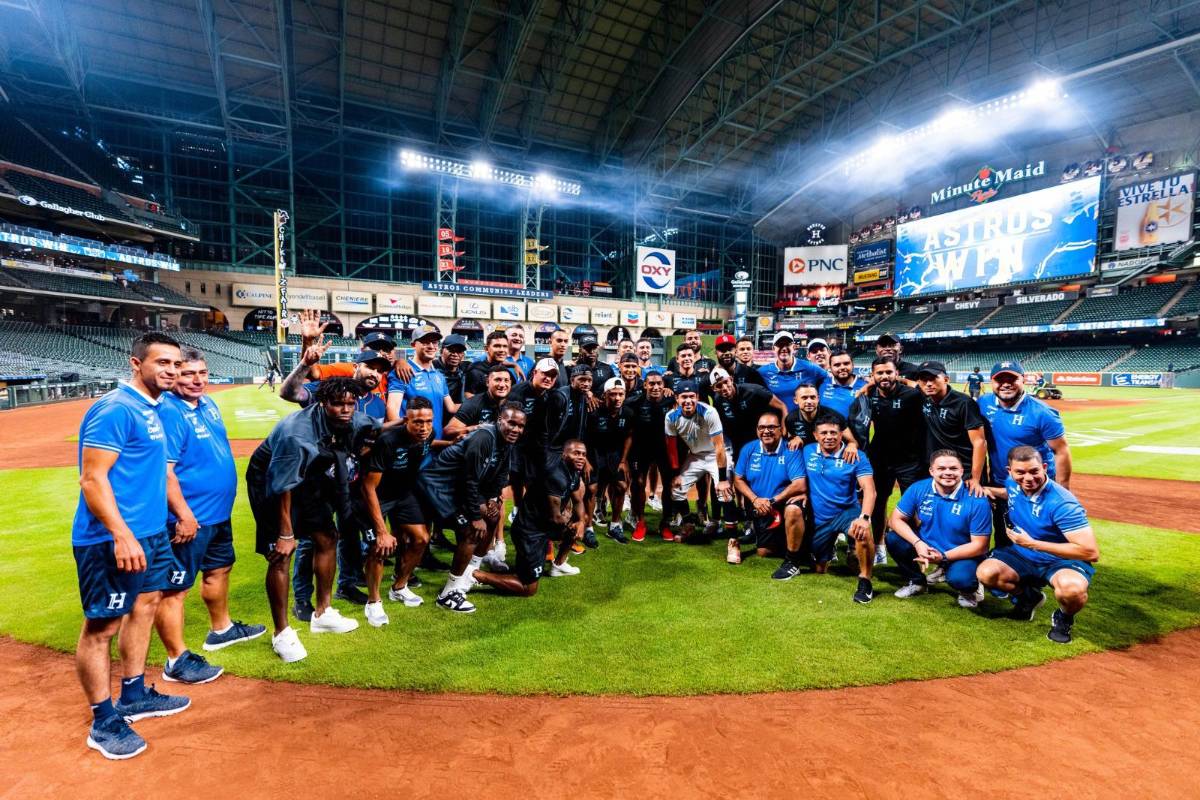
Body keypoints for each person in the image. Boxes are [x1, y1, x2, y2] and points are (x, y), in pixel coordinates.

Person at [73, 332, 190, 760]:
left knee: (148, 602)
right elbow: (92, 478)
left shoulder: (153, 408)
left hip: (151, 532)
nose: (172, 371)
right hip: (111, 537)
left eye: (175, 364)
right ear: (135, 364)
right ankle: (103, 720)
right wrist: (121, 534)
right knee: (102, 626)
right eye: (162, 363)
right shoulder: (117, 408)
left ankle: (135, 693)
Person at [154, 348, 264, 686]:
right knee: (174, 588)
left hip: (217, 514)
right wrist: (183, 515)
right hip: (188, 519)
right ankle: (176, 660)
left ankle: (221, 630)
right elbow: (165, 471)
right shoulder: (169, 412)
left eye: (202, 372)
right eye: (188, 374)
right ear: (174, 377)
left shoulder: (207, 404)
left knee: (219, 569)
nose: (198, 379)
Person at [246, 378, 375, 663]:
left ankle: (323, 613)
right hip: (271, 482)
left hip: (307, 479)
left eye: (350, 404)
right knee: (280, 554)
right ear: (321, 403)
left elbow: (373, 427)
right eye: (338, 404)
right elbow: (283, 486)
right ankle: (281, 633)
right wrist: (285, 533)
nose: (345, 409)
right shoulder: (297, 434)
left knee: (328, 538)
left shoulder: (351, 418)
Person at [976, 447, 1099, 644]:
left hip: (1061, 561)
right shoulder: (1013, 484)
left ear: (1044, 467)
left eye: (1034, 471)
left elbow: (1090, 552)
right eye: (1020, 472)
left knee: (1072, 591)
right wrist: (990, 490)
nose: (1028, 478)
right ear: (1010, 472)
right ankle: (1028, 598)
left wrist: (1033, 544)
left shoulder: (1062, 503)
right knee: (986, 573)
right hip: (1023, 554)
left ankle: (1064, 617)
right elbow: (1011, 492)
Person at [419, 406, 526, 613]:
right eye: (511, 423)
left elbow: (500, 475)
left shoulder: (508, 443)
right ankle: (448, 594)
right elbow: (468, 479)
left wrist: (493, 500)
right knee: (471, 530)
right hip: (439, 487)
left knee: (493, 518)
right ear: (499, 420)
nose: (516, 429)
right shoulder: (484, 438)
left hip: (458, 489)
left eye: (521, 426)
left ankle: (470, 572)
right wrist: (476, 514)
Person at [357, 398, 435, 626]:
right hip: (376, 496)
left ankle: (399, 586)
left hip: (403, 493)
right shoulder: (388, 441)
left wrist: (451, 442)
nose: (424, 427)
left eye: (428, 421)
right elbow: (368, 486)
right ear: (406, 420)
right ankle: (373, 602)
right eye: (418, 422)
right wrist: (382, 530)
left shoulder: (429, 435)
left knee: (421, 539)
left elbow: (426, 444)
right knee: (379, 547)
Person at [472, 440, 587, 595]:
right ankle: (476, 575)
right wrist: (569, 522)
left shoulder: (573, 473)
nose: (581, 457)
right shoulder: (556, 476)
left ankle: (558, 565)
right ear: (564, 454)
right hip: (529, 532)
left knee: (577, 525)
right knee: (528, 588)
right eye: (576, 453)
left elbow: (578, 500)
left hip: (544, 527)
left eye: (584, 454)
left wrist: (580, 521)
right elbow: (555, 519)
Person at [978, 361, 1071, 549]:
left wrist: (1063, 491)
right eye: (1000, 379)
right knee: (1003, 529)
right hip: (1000, 480)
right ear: (991, 382)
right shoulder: (984, 403)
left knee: (1036, 531)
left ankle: (1043, 571)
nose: (1005, 384)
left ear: (1023, 380)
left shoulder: (1043, 412)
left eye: (1012, 379)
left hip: (1034, 482)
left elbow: (1061, 451)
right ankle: (1004, 567)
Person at [886, 450, 992, 607]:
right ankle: (917, 582)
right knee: (893, 539)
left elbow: (980, 545)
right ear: (931, 471)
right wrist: (917, 543)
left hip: (963, 553)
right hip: (928, 545)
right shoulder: (919, 488)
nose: (948, 473)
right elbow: (895, 520)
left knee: (960, 578)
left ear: (962, 471)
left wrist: (943, 556)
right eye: (941, 468)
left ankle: (970, 589)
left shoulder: (977, 499)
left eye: (953, 469)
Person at [850, 356, 926, 564]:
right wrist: (867, 388)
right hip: (880, 457)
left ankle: (917, 549)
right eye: (879, 373)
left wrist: (905, 382)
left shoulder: (912, 395)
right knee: (878, 502)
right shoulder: (869, 395)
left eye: (888, 372)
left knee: (914, 507)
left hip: (909, 459)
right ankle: (879, 546)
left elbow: (925, 392)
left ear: (896, 374)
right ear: (873, 376)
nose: (884, 376)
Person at [798, 412, 876, 603]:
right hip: (820, 517)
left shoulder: (855, 455)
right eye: (823, 433)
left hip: (846, 512)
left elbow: (869, 490)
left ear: (841, 434)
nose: (829, 437)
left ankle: (865, 580)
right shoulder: (808, 451)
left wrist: (865, 518)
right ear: (816, 435)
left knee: (862, 532)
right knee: (820, 569)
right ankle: (833, 550)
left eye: (833, 432)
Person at [731, 411, 806, 566]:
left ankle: (800, 546)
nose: (766, 431)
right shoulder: (749, 449)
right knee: (763, 552)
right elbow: (738, 480)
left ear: (781, 429)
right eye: (762, 428)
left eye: (771, 427)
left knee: (794, 511)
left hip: (782, 503)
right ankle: (780, 538)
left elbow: (800, 484)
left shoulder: (790, 449)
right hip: (760, 506)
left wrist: (771, 501)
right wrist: (755, 499)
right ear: (757, 430)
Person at [663, 380, 733, 540]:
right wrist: (676, 474)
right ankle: (688, 524)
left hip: (716, 454)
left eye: (692, 396)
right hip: (696, 455)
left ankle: (727, 532)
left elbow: (719, 447)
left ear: (698, 397)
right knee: (676, 489)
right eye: (684, 397)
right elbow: (671, 448)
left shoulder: (709, 412)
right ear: (677, 398)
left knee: (724, 492)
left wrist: (722, 479)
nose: (688, 400)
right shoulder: (671, 417)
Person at [915, 361, 987, 493]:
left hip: (963, 470)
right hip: (939, 468)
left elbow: (979, 442)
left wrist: (975, 479)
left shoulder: (964, 403)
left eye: (933, 378)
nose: (928, 383)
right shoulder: (924, 397)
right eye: (924, 380)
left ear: (946, 379)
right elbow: (909, 383)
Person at [281, 341, 390, 421]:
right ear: (355, 367)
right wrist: (305, 364)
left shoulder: (379, 404)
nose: (374, 374)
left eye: (380, 371)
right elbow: (288, 394)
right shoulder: (330, 388)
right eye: (370, 367)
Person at [507, 359, 560, 516]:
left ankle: (527, 512)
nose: (548, 378)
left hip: (537, 445)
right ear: (534, 373)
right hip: (515, 444)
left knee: (535, 482)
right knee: (516, 478)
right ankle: (517, 509)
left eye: (552, 375)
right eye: (545, 373)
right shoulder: (518, 392)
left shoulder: (551, 394)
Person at [586, 377, 634, 543]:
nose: (617, 398)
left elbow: (629, 436)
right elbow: (584, 438)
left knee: (621, 486)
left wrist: (623, 460)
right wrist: (585, 460)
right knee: (591, 489)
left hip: (614, 455)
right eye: (613, 394)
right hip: (595, 454)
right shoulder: (593, 412)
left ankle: (614, 525)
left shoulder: (627, 413)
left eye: (621, 394)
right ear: (605, 395)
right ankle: (588, 528)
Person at [386, 324, 457, 438]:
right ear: (413, 345)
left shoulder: (439, 376)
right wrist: (403, 437)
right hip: (412, 445)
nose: (431, 346)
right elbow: (392, 408)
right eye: (425, 342)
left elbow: (452, 407)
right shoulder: (403, 371)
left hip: (436, 443)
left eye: (434, 342)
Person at [628, 371, 675, 542]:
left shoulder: (671, 400)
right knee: (638, 483)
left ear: (664, 386)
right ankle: (640, 520)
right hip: (640, 450)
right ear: (645, 385)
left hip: (664, 450)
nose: (655, 387)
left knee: (669, 485)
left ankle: (665, 523)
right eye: (652, 384)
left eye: (659, 383)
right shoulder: (634, 403)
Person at [759, 331, 828, 412]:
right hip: (777, 422)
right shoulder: (763, 372)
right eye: (780, 345)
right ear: (773, 349)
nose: (784, 348)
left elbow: (830, 378)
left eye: (788, 344)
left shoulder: (810, 368)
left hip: (803, 422)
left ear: (794, 347)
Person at [445, 363, 513, 440]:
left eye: (506, 380)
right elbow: (448, 431)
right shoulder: (474, 403)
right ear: (487, 382)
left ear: (510, 383)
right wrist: (475, 428)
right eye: (497, 380)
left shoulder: (514, 403)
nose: (502, 385)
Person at [785, 383, 856, 454]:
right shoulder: (791, 419)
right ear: (795, 400)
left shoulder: (834, 416)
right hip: (808, 455)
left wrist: (851, 445)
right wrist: (794, 438)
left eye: (812, 397)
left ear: (818, 398)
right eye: (804, 398)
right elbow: (791, 437)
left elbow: (852, 441)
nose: (809, 401)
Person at [818, 348, 867, 418]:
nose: (842, 367)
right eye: (837, 365)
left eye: (846, 363)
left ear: (853, 365)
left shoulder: (865, 386)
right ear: (830, 367)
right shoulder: (821, 383)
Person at [464, 330, 510, 397]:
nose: (502, 350)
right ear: (486, 348)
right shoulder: (475, 370)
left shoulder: (508, 372)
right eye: (497, 346)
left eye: (505, 346)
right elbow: (468, 395)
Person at [435, 334, 469, 405]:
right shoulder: (431, 368)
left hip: (459, 413)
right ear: (441, 351)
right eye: (451, 350)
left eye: (459, 351)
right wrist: (404, 363)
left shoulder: (466, 367)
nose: (455, 354)